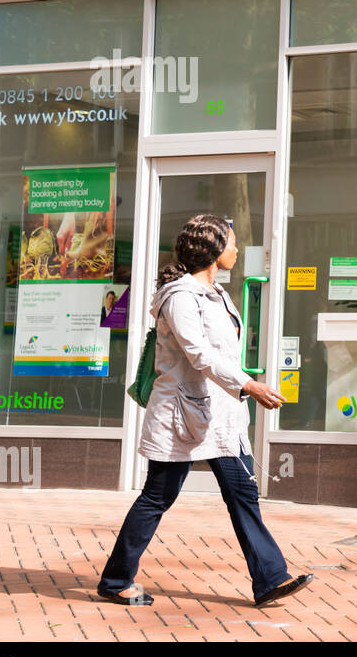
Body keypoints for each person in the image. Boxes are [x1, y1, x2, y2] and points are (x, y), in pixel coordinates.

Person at [98, 214, 313, 608]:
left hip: (221, 419)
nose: (235, 249)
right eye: (231, 243)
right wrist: (249, 384)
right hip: (182, 417)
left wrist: (241, 386)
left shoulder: (219, 294)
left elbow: (223, 353)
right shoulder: (181, 296)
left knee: (243, 493)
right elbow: (199, 354)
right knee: (157, 497)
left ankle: (269, 578)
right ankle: (115, 580)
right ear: (214, 251)